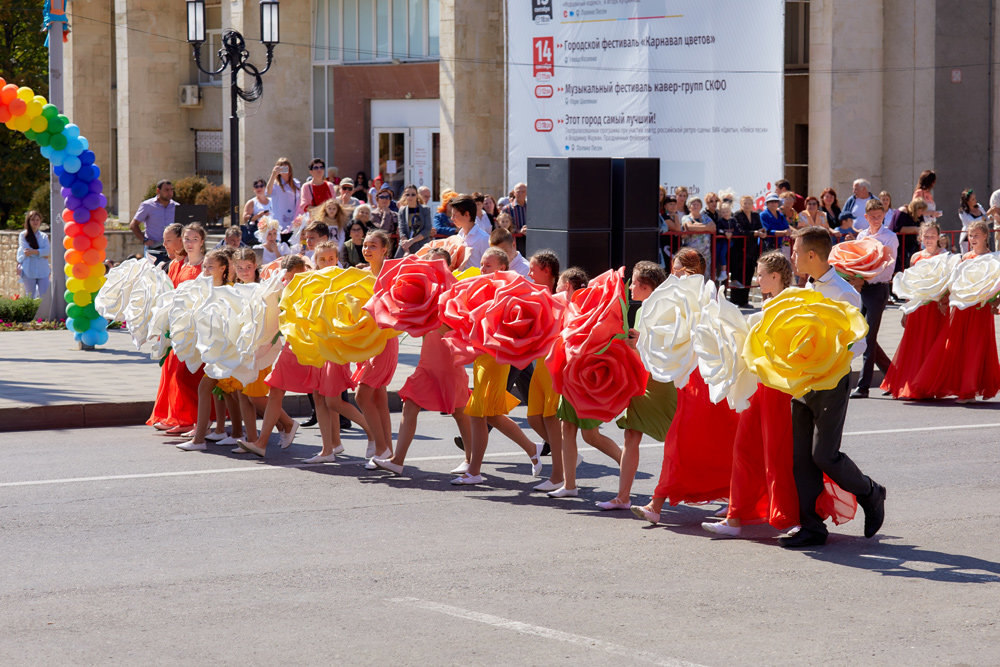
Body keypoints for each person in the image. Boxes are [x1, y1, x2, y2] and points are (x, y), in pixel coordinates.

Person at [783, 226, 885, 547]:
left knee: (824, 455)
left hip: (831, 382)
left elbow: (859, 344)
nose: (792, 257)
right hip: (801, 381)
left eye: (796, 251)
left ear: (812, 255)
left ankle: (871, 491)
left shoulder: (845, 294)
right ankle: (812, 527)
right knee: (801, 458)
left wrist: (829, 356)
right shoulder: (804, 289)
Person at [630, 248, 739, 524]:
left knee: (707, 440)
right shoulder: (676, 296)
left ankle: (728, 497)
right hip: (688, 381)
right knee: (684, 442)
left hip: (706, 380)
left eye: (678, 269)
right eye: (673, 269)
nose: (673, 273)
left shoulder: (706, 296)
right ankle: (659, 503)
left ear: (690, 271)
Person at [372, 249, 473, 476]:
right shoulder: (424, 291)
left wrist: (431, 318)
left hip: (449, 359)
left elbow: (457, 326)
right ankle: (397, 460)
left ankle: (472, 461)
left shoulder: (454, 291)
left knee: (460, 410)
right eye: (426, 264)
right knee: (411, 403)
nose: (428, 268)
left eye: (435, 264)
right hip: (428, 361)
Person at [450, 248, 543, 486]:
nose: (482, 269)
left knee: (478, 413)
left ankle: (474, 471)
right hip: (483, 356)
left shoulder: (508, 291)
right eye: (481, 264)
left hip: (497, 357)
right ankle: (533, 449)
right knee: (490, 414)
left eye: (487, 265)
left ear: (502, 268)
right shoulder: (484, 287)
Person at [600, 261, 676, 511]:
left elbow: (671, 343)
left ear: (646, 285)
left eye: (634, 281)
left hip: (664, 382)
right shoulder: (641, 310)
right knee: (631, 433)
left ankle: (717, 490)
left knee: (676, 440)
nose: (630, 286)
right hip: (643, 380)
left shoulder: (667, 307)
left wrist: (641, 341)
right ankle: (623, 496)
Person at [910, 219, 1000, 401]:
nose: (972, 238)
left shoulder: (994, 258)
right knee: (957, 348)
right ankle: (959, 386)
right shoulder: (964, 257)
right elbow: (954, 282)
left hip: (980, 310)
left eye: (976, 235)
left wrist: (995, 301)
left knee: (976, 347)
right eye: (970, 235)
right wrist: (945, 299)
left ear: (985, 236)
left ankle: (969, 390)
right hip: (960, 309)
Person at [147, 223, 208, 435]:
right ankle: (176, 415)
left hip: (197, 327)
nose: (189, 243)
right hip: (177, 325)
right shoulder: (178, 265)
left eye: (194, 239)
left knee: (188, 373)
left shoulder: (205, 267)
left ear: (202, 241)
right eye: (187, 239)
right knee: (172, 368)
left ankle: (194, 420)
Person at [881, 222, 949, 399]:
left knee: (934, 346)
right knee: (916, 346)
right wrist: (906, 311)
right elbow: (909, 286)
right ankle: (915, 384)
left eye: (932, 235)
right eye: (926, 236)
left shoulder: (945, 256)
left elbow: (949, 284)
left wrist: (944, 300)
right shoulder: (916, 257)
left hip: (936, 308)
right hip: (918, 308)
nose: (929, 239)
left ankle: (932, 385)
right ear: (920, 237)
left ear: (939, 237)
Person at [355, 230, 399, 465]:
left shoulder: (391, 274)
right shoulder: (361, 274)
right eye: (365, 245)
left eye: (373, 246)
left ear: (384, 250)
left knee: (362, 396)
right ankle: (387, 451)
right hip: (365, 343)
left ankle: (380, 447)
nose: (367, 249)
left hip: (384, 340)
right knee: (379, 398)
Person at [850, 198, 898, 399]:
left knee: (869, 337)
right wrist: (856, 277)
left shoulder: (890, 237)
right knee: (862, 335)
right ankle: (894, 377)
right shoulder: (862, 235)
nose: (877, 220)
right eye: (873, 217)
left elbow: (888, 266)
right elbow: (857, 259)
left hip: (878, 289)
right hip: (862, 289)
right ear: (866, 217)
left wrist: (867, 276)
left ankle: (864, 386)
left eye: (880, 216)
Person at [130, 179, 177, 266]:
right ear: (158, 191)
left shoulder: (177, 206)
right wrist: (144, 240)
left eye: (171, 190)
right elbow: (133, 225)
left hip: (171, 250)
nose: (170, 192)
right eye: (166, 190)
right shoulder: (147, 205)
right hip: (153, 250)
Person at [264, 157, 300, 243]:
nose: (284, 170)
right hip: (279, 220)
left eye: (286, 168)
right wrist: (273, 175)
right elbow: (268, 191)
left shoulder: (296, 183)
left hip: (292, 220)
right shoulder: (275, 184)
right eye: (281, 168)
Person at [16, 210, 50, 298]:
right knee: (30, 296)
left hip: (43, 271)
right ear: (28, 221)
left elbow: (47, 251)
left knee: (45, 296)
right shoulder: (23, 235)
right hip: (29, 270)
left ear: (40, 221)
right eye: (33, 220)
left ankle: (44, 312)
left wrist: (35, 252)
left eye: (37, 220)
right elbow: (26, 251)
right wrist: (41, 253)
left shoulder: (44, 236)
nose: (35, 222)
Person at [729, 195, 762, 287]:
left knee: (749, 275)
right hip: (740, 250)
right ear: (741, 204)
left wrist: (763, 232)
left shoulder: (755, 215)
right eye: (745, 203)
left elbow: (760, 228)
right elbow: (739, 231)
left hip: (752, 250)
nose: (747, 205)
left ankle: (744, 301)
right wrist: (753, 233)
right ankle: (736, 301)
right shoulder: (737, 215)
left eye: (749, 203)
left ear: (752, 205)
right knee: (739, 277)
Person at [452, 193, 490, 269]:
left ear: (466, 214)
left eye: (454, 215)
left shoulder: (484, 239)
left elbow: (490, 267)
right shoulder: (459, 236)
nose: (452, 218)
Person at [681, 196, 716, 275]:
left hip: (706, 253)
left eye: (698, 204)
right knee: (692, 273)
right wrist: (706, 227)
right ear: (689, 207)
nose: (696, 206)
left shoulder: (705, 217)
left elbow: (713, 228)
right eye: (693, 204)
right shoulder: (686, 218)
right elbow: (690, 227)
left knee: (705, 274)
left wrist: (698, 225)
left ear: (701, 206)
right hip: (692, 252)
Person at [396, 184, 433, 256]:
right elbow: (402, 229)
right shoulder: (402, 210)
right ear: (404, 196)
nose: (410, 197)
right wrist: (406, 247)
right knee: (396, 262)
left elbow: (427, 230)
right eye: (407, 194)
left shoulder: (425, 209)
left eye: (413, 194)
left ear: (417, 195)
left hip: (421, 243)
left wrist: (411, 241)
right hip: (405, 244)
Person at [241, 178, 271, 245]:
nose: (259, 188)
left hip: (272, 232)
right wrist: (259, 215)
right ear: (254, 189)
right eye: (256, 186)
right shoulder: (252, 202)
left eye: (261, 186)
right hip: (258, 233)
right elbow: (245, 218)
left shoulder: (272, 201)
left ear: (265, 187)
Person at [958, 188, 987, 253]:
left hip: (980, 238)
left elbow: (986, 220)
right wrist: (986, 215)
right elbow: (971, 223)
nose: (975, 200)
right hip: (968, 239)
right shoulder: (962, 212)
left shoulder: (979, 207)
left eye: (975, 198)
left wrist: (991, 216)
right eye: (973, 199)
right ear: (967, 201)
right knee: (968, 259)